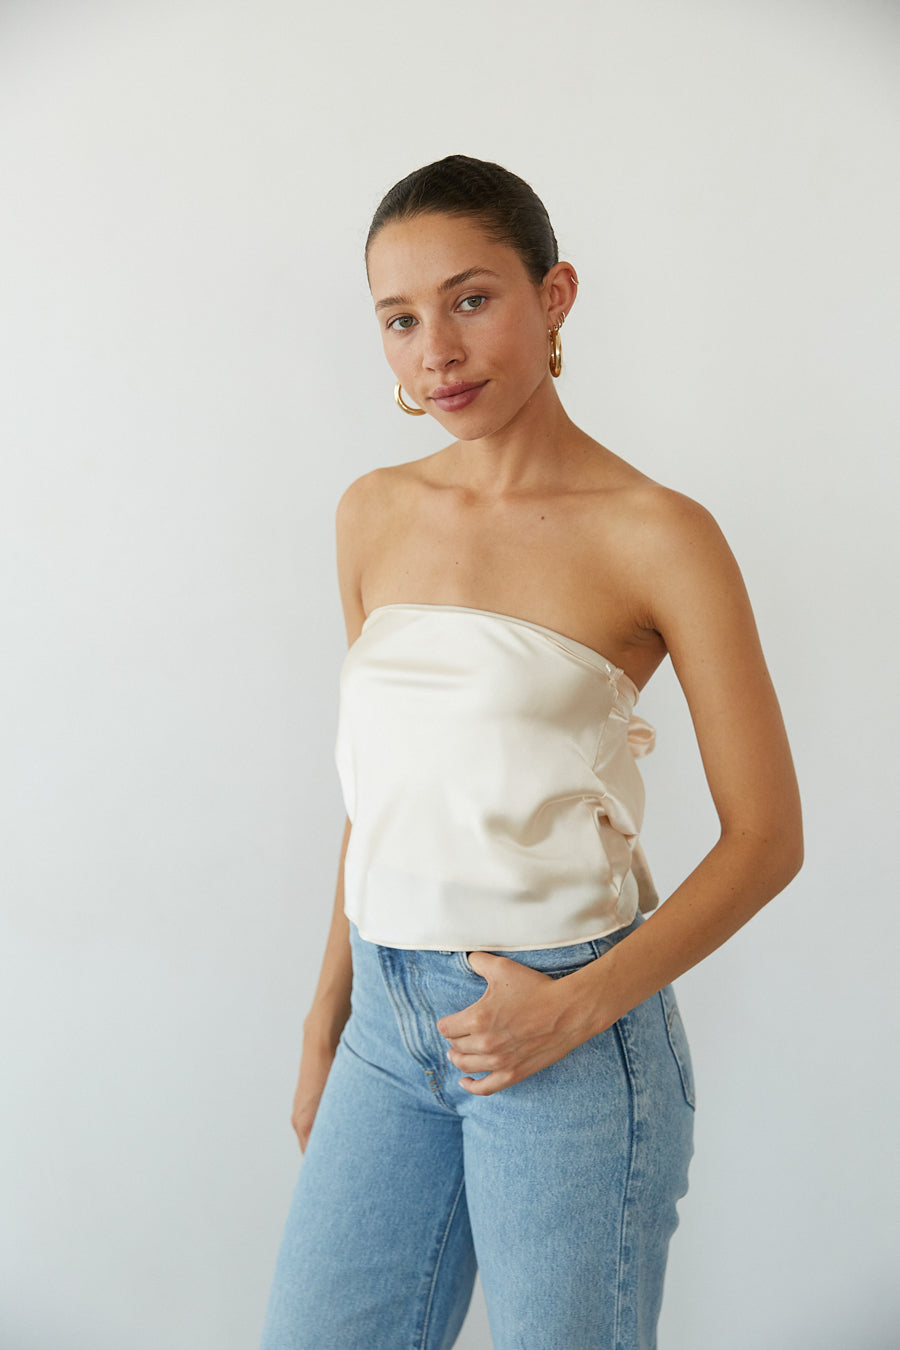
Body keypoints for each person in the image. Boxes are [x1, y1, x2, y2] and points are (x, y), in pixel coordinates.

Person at [257, 154, 803, 1350]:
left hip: (567, 1025)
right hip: (385, 1026)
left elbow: (767, 839)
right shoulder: (371, 512)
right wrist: (324, 1019)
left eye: (471, 299)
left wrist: (570, 1013)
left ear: (554, 296)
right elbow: (382, 790)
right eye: (401, 319)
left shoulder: (658, 534)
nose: (436, 353)